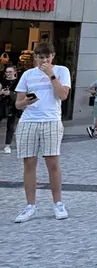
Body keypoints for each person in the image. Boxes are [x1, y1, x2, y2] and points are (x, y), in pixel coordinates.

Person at [13, 43, 71, 222]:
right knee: (29, 164)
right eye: (40, 57)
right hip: (28, 121)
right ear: (35, 58)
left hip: (51, 120)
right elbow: (18, 103)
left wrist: (51, 75)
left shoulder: (61, 71)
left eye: (47, 57)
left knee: (52, 163)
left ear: (53, 56)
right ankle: (30, 205)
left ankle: (58, 203)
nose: (44, 60)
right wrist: (26, 102)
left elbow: (63, 95)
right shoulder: (27, 75)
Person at [1, 64, 18, 153]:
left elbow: (21, 93)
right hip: (2, 104)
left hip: (12, 105)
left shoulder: (18, 82)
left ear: (15, 72)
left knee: (10, 126)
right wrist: (1, 92)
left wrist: (11, 93)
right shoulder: (2, 81)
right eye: (7, 72)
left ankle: (7, 146)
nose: (8, 74)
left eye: (10, 72)